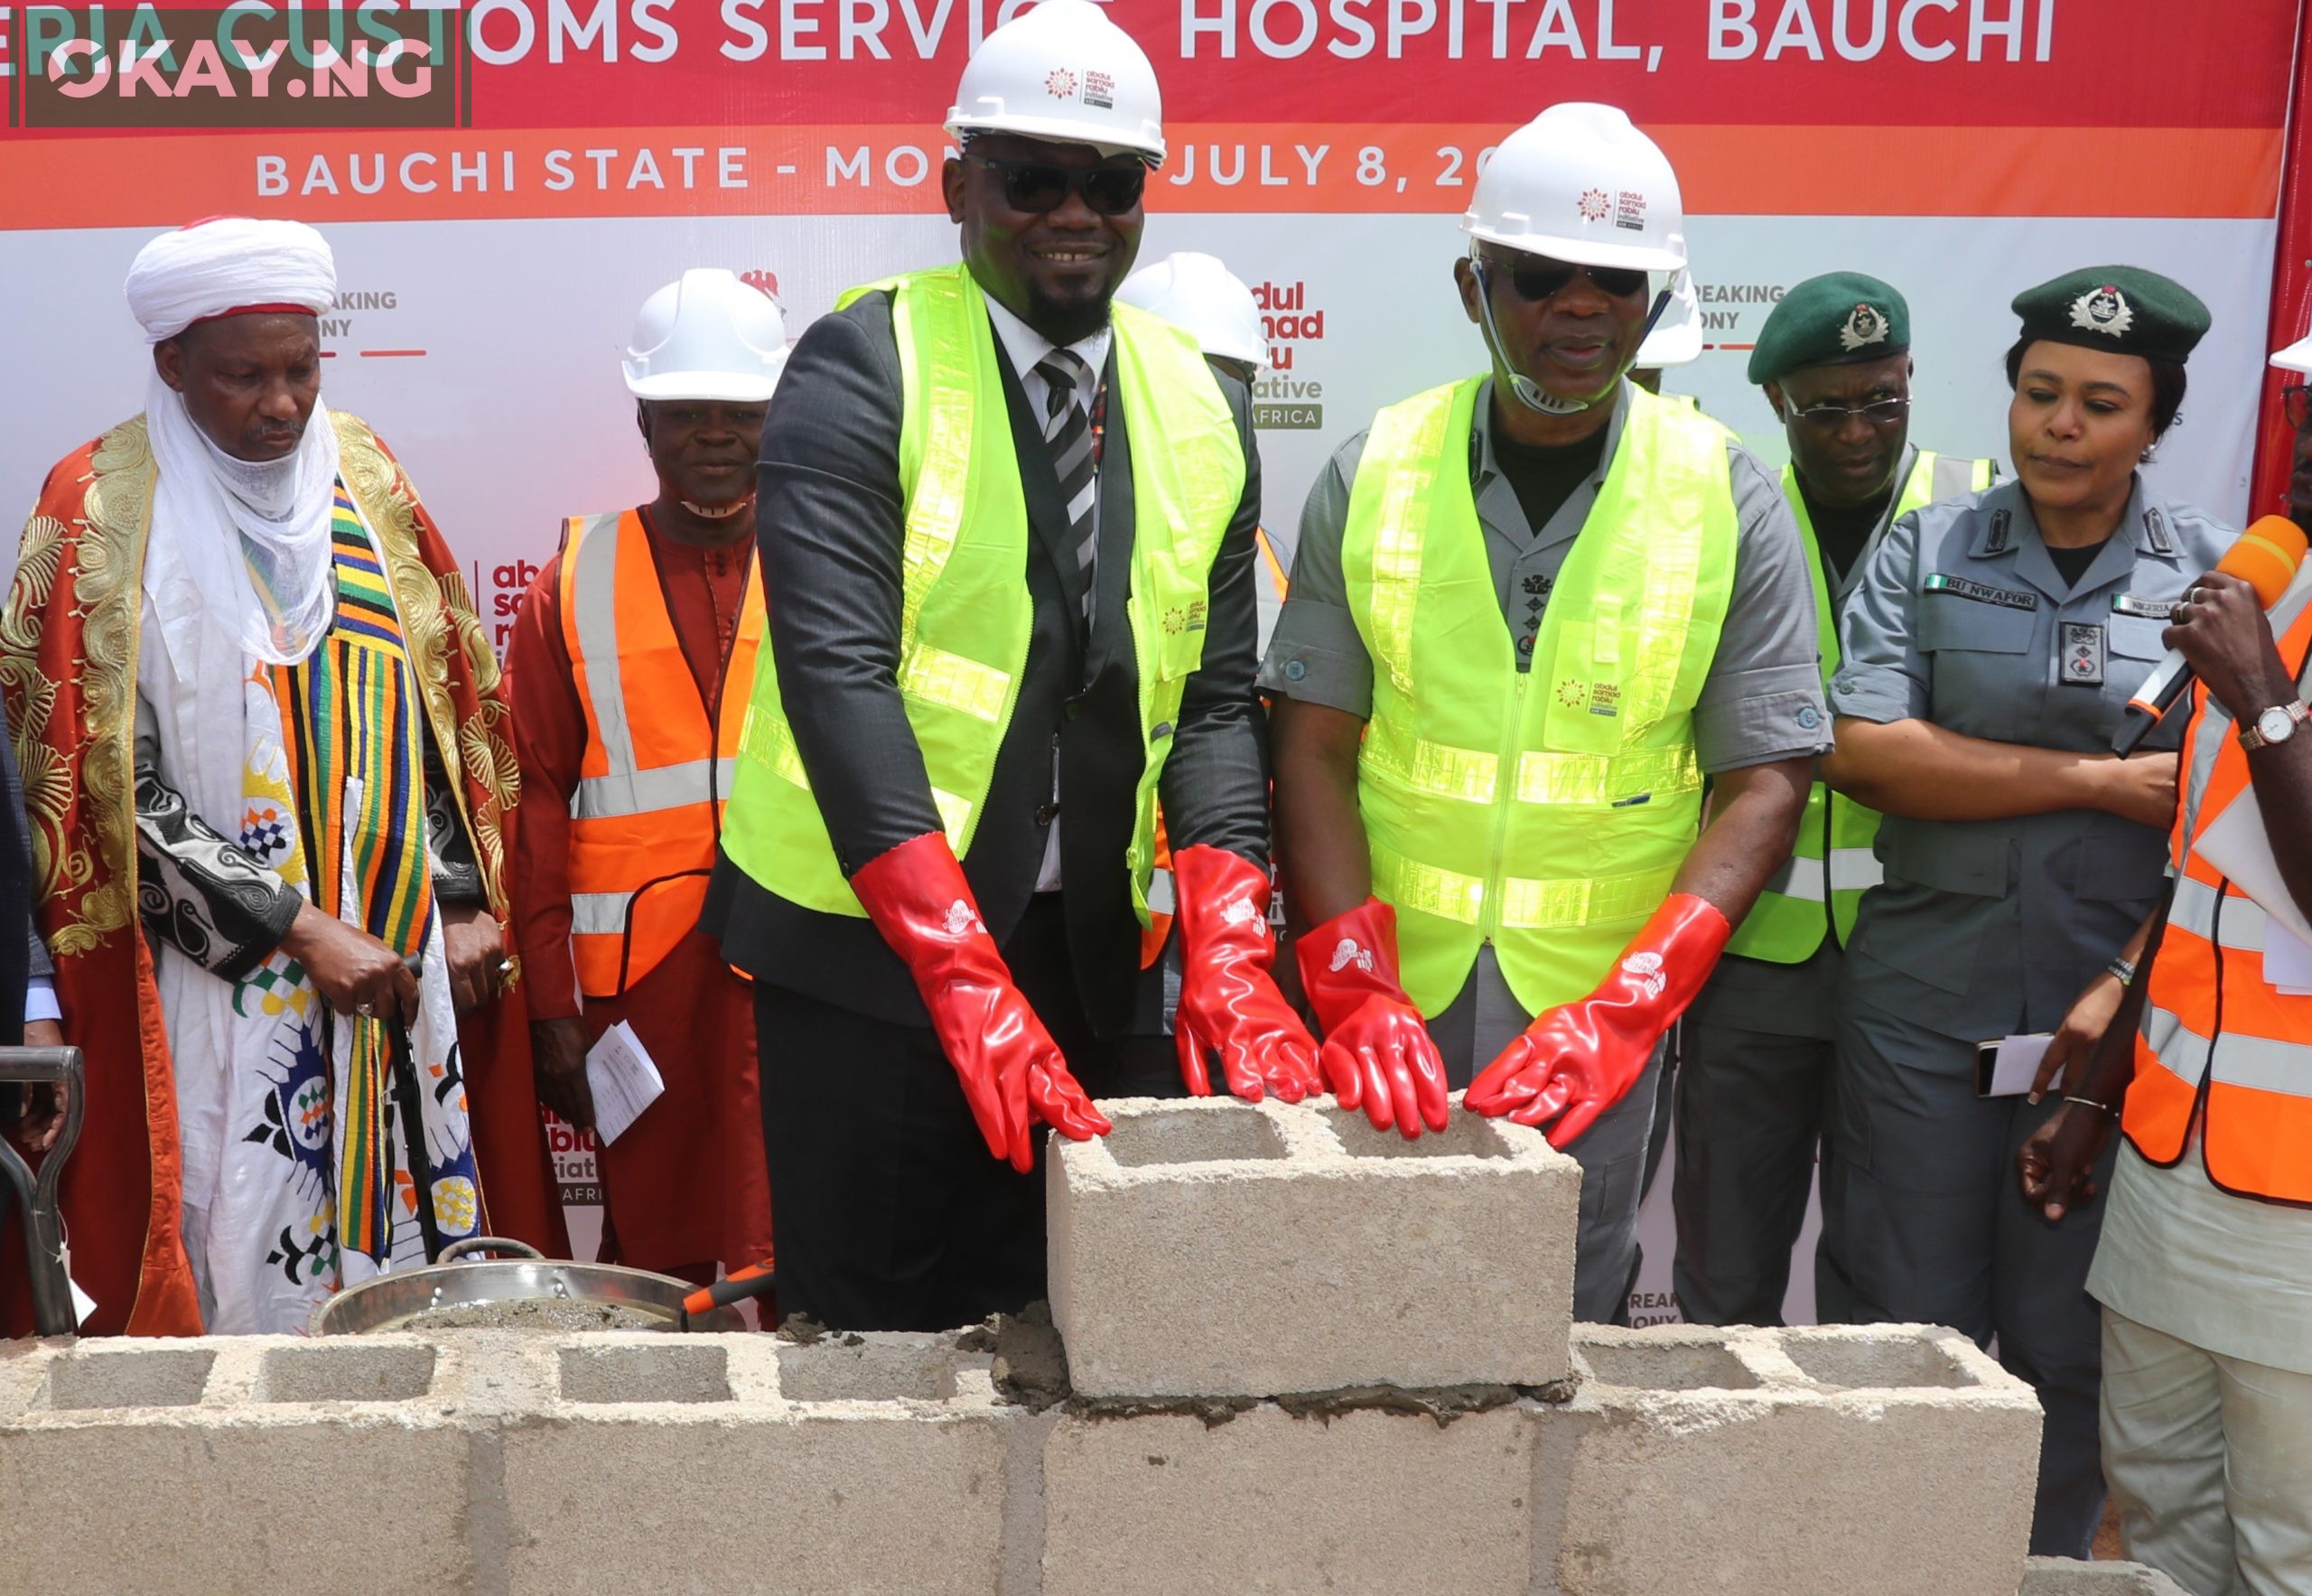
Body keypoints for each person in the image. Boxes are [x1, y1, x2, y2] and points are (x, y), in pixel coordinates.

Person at [704, 0, 1318, 1333]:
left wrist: (1226, 936)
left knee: (1061, 1339)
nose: (1073, 212)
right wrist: (957, 968)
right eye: (1031, 179)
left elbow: (1213, 699)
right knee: (867, 1350)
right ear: (956, 185)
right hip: (871, 958)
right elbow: (837, 675)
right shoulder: (862, 364)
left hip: (1087, 960)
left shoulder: (1197, 402)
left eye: (1108, 182)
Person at [1262, 102, 1823, 1323]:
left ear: (1655, 298)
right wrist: (1352, 986)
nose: (1579, 306)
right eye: (1539, 276)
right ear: (1476, 284)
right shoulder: (1375, 469)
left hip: (1589, 1017)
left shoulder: (1724, 494)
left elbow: (1766, 776)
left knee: (1545, 1323)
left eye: (1615, 280)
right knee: (1357, 1306)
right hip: (1384, 1005)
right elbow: (1309, 742)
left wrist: (1630, 1009)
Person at [0, 218, 564, 1336]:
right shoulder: (95, 510)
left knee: (423, 1281)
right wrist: (301, 929)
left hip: (398, 957)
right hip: (224, 980)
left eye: (302, 371)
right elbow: (101, 793)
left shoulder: (363, 470)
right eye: (244, 378)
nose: (282, 405)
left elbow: (441, 698)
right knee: (245, 1248)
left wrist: (454, 894)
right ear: (172, 367)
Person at [1821, 266, 2225, 1554]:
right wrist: (2105, 782)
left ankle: (2039, 1571)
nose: (2061, 423)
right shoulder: (1928, 547)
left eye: (2102, 403)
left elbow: (2229, 818)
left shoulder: (2216, 579)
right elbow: (1866, 749)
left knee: (2070, 1344)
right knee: (1901, 1330)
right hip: (1921, 1015)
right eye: (2040, 393)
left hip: (2111, 1027)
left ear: (2154, 424)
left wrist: (2127, 977)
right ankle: (1889, 1569)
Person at [2018, 325, 2312, 1595]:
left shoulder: (2256, 644)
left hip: (2299, 1224)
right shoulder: (2275, 585)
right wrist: (2101, 1084)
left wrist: (2267, 702)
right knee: (2162, 1540)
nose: (2307, 453)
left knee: (2287, 1554)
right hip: (2172, 1167)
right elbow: (2204, 877)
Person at [1673, 273, 1996, 1327]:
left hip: (1920, 952)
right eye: (1827, 408)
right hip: (1753, 953)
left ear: (1909, 378)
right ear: (1777, 402)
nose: (1857, 432)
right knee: (1725, 1265)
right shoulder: (1727, 515)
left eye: (1882, 402)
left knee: (1888, 1269)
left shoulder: (1979, 516)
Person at [506, 269, 782, 1284]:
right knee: (662, 1262)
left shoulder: (838, 558)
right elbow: (530, 799)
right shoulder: (573, 581)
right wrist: (549, 1008)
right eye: (685, 414)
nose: (715, 435)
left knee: (809, 1235)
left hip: (802, 965)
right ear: (643, 424)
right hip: (641, 990)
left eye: (741, 412)